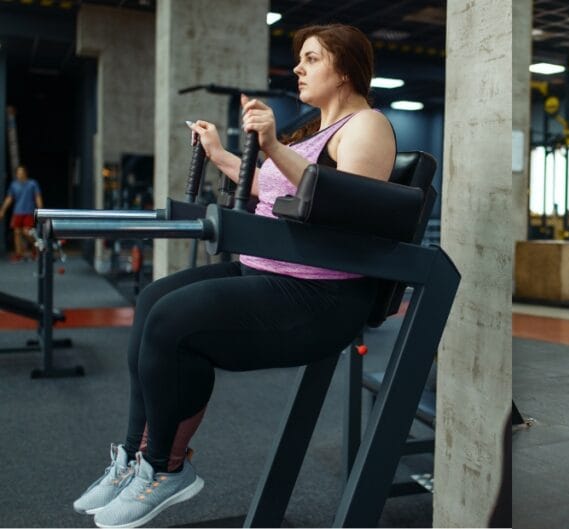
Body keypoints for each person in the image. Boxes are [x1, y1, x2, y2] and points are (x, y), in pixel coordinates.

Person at [72, 24, 396, 528]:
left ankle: (165, 468)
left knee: (173, 322)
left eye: (312, 58)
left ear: (345, 71)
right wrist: (220, 151)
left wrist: (272, 146)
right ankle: (135, 460)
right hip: (264, 271)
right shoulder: (314, 130)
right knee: (153, 300)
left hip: (319, 297)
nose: (298, 68)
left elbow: (352, 208)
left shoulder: (367, 126)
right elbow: (274, 189)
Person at [0, 165, 43, 261]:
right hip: (17, 212)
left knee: (27, 232)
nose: (20, 175)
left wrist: (40, 209)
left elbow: (37, 196)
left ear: (25, 173)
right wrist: (2, 210)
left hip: (29, 212)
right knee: (17, 232)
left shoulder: (32, 184)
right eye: (18, 173)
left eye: (21, 172)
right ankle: (19, 254)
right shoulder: (14, 185)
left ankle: (36, 248)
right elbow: (9, 198)